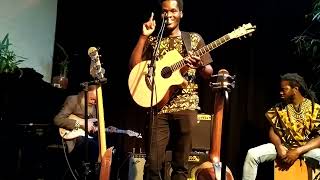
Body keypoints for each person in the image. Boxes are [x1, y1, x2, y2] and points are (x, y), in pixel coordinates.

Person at [129, 0, 213, 179]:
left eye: (173, 11)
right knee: (152, 165)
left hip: (186, 105)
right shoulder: (153, 40)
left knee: (181, 167)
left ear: (181, 13)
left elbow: (208, 72)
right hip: (159, 106)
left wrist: (198, 66)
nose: (169, 15)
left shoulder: (193, 39)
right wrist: (143, 37)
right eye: (165, 11)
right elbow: (134, 69)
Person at [242, 73, 320, 180]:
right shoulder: (279, 108)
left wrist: (298, 151)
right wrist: (279, 147)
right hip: (284, 147)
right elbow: (273, 131)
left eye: (285, 89)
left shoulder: (314, 109)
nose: (281, 92)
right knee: (252, 154)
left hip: (306, 149)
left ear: (295, 89)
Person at [54, 84, 99, 179]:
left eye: (96, 100)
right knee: (92, 145)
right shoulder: (73, 100)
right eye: (92, 99)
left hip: (85, 137)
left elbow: (92, 127)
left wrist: (97, 128)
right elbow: (58, 120)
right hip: (72, 137)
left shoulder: (93, 107)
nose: (94, 102)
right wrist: (81, 123)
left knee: (100, 144)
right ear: (84, 94)